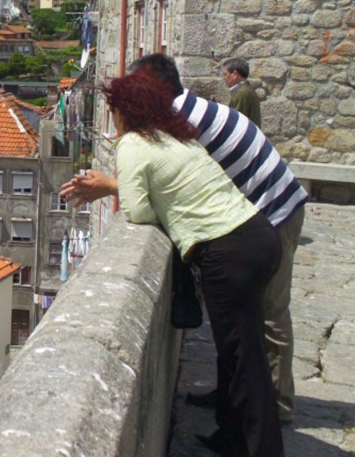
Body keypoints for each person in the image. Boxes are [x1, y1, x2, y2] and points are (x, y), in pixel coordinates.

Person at [63, 53, 307, 423]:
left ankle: (276, 405)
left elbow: (168, 184)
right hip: (259, 208)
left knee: (270, 314)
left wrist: (111, 186)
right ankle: (237, 398)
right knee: (246, 319)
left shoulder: (176, 119)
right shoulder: (183, 109)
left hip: (273, 209)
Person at [101, 70, 283, 457]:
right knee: (235, 351)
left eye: (113, 109)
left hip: (226, 250)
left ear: (125, 111)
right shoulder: (177, 136)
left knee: (242, 356)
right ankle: (229, 435)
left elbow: (137, 210)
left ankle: (253, 453)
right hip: (256, 235)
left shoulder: (133, 144)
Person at [222, 57, 261, 127]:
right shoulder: (246, 90)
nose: (224, 78)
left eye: (225, 74)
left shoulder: (242, 93)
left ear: (234, 74)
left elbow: (235, 122)